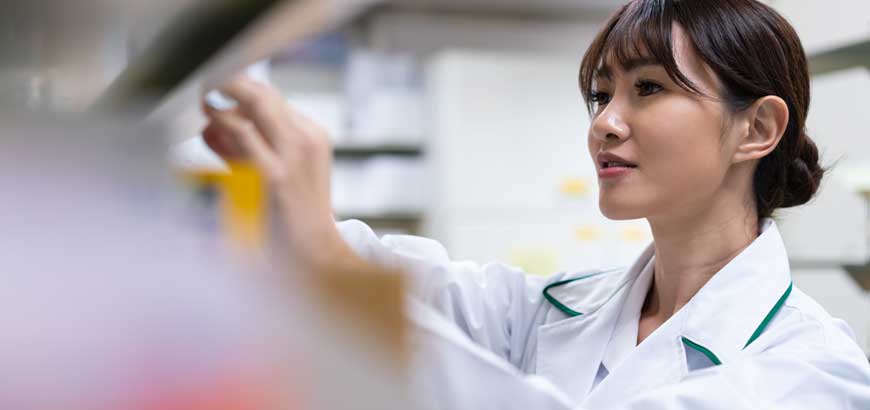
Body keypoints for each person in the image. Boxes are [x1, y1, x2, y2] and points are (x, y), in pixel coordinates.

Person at [201, 0, 870, 408]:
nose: (606, 122)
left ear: (756, 129)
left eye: (650, 88)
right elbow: (411, 279)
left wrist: (322, 255)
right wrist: (281, 212)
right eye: (601, 94)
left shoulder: (811, 373)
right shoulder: (558, 310)